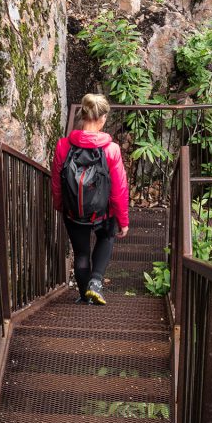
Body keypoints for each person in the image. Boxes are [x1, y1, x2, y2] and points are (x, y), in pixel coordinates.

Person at [50, 94, 129, 305]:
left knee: (81, 254)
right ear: (103, 118)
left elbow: (57, 181)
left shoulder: (63, 146)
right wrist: (123, 220)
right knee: (107, 237)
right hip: (103, 213)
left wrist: (60, 205)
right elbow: (119, 189)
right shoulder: (111, 150)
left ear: (82, 116)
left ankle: (85, 296)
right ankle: (96, 281)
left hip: (73, 212)